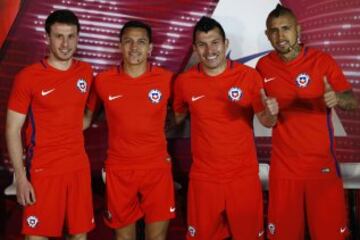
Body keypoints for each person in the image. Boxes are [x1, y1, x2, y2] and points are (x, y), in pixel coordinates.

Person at [256, 4, 359, 240]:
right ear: (267, 35)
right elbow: (266, 117)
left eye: (286, 28)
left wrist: (337, 99)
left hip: (320, 166)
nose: (280, 36)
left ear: (298, 30)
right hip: (284, 169)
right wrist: (269, 113)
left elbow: (353, 101)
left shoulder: (322, 61)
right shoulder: (263, 66)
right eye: (274, 30)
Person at [173, 16, 278, 240]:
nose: (209, 50)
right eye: (202, 44)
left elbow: (267, 121)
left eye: (215, 42)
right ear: (195, 48)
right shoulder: (184, 82)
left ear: (226, 44)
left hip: (243, 178)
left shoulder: (249, 77)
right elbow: (176, 119)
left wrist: (271, 113)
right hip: (204, 179)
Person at [5, 9, 94, 240]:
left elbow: (83, 118)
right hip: (43, 171)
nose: (65, 44)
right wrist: (21, 178)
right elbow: (12, 129)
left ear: (78, 37)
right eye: (58, 36)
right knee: (37, 237)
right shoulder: (28, 77)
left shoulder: (86, 72)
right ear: (47, 38)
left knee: (79, 236)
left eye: (71, 36)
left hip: (78, 169)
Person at [85, 20, 175, 240]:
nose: (134, 48)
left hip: (156, 168)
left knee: (157, 237)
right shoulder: (103, 81)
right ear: (119, 46)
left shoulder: (167, 79)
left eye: (141, 42)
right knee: (124, 238)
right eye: (128, 42)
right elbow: (85, 119)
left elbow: (179, 115)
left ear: (150, 47)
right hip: (119, 169)